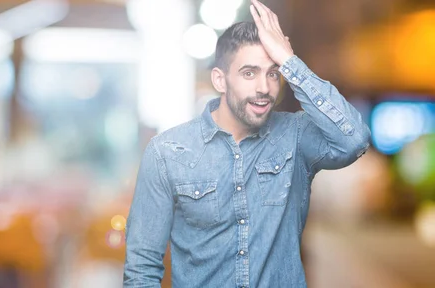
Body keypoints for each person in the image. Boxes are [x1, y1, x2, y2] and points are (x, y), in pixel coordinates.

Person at [123, 0, 371, 287]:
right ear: (220, 79)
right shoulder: (167, 153)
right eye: (249, 73)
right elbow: (142, 269)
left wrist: (290, 61)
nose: (264, 87)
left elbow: (354, 139)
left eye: (273, 73)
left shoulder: (296, 136)